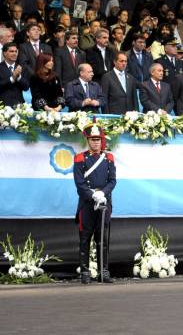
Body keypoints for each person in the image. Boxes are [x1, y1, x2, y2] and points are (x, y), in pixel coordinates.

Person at [73, 120, 116, 284]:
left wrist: (103, 193)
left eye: (98, 139)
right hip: (87, 204)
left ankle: (103, 272)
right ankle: (85, 272)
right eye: (93, 139)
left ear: (102, 140)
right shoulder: (80, 158)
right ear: (87, 140)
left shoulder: (109, 158)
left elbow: (112, 181)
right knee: (85, 239)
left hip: (104, 204)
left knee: (102, 239)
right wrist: (93, 195)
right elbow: (79, 183)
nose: (96, 142)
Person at [0, 42, 30, 107]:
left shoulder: (22, 67)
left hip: (19, 104)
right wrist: (12, 78)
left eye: (16, 51)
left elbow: (26, 87)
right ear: (4, 53)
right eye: (11, 51)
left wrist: (19, 77)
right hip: (2, 105)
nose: (14, 53)